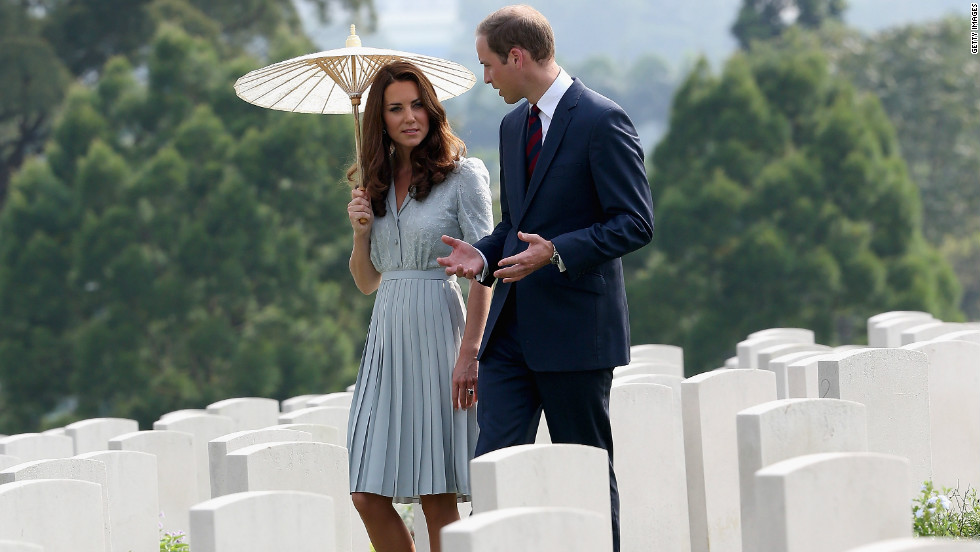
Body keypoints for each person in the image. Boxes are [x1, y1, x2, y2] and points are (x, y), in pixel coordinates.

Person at [436, 6, 655, 551]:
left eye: (488, 65)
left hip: (577, 336)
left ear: (518, 56)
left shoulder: (604, 121)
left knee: (584, 472)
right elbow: (516, 225)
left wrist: (557, 253)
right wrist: (483, 256)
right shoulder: (515, 126)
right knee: (492, 472)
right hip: (511, 335)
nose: (485, 78)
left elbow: (635, 223)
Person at [345, 60, 493, 552]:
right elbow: (367, 282)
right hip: (386, 333)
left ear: (431, 109)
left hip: (439, 329)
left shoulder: (464, 175)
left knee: (436, 493)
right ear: (379, 119)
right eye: (395, 108)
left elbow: (484, 270)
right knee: (366, 492)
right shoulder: (375, 183)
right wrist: (360, 232)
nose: (410, 117)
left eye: (417, 105)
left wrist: (469, 352)